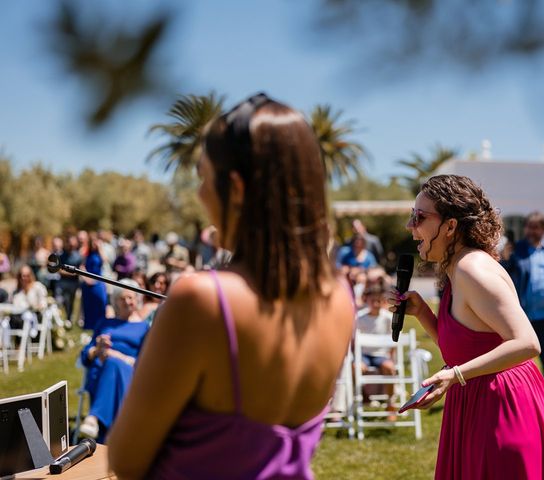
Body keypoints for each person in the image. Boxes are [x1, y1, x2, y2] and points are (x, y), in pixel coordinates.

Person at [108, 93, 355, 479]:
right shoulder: (340, 298)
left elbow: (125, 460)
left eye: (204, 177)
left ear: (236, 188)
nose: (200, 193)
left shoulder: (203, 300)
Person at [388, 175, 544, 479]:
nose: (410, 225)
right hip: (478, 404)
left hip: (503, 412)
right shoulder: (455, 269)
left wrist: (456, 375)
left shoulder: (472, 270)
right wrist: (422, 313)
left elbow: (527, 343)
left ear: (450, 226)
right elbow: (468, 349)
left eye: (420, 217)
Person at [502, 211, 544, 407]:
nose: (531, 231)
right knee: (519, 361)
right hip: (524, 318)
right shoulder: (516, 251)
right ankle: (521, 399)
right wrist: (505, 256)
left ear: (543, 229)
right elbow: (504, 271)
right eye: (528, 227)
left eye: (535, 228)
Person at [78, 279, 149, 443]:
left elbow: (146, 361)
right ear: (115, 301)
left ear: (136, 300)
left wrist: (117, 356)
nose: (126, 301)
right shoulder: (105, 323)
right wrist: (97, 349)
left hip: (130, 374)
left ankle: (94, 418)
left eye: (130, 298)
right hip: (99, 374)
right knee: (110, 364)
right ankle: (121, 434)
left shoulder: (143, 327)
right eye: (122, 298)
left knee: (113, 363)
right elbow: (84, 355)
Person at [356, 275, 397, 419]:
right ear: (367, 300)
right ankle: (364, 395)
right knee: (356, 367)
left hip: (381, 355)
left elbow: (393, 341)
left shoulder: (387, 318)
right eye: (372, 300)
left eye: (378, 300)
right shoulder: (360, 318)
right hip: (364, 355)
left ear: (383, 301)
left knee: (390, 368)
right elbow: (354, 341)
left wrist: (392, 357)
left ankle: (390, 403)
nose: (375, 303)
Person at [80, 233, 108, 330]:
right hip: (88, 283)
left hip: (99, 282)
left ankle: (101, 325)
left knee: (101, 303)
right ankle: (89, 326)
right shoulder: (86, 253)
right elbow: (82, 266)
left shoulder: (100, 253)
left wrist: (100, 248)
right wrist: (86, 278)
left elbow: (105, 260)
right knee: (88, 306)